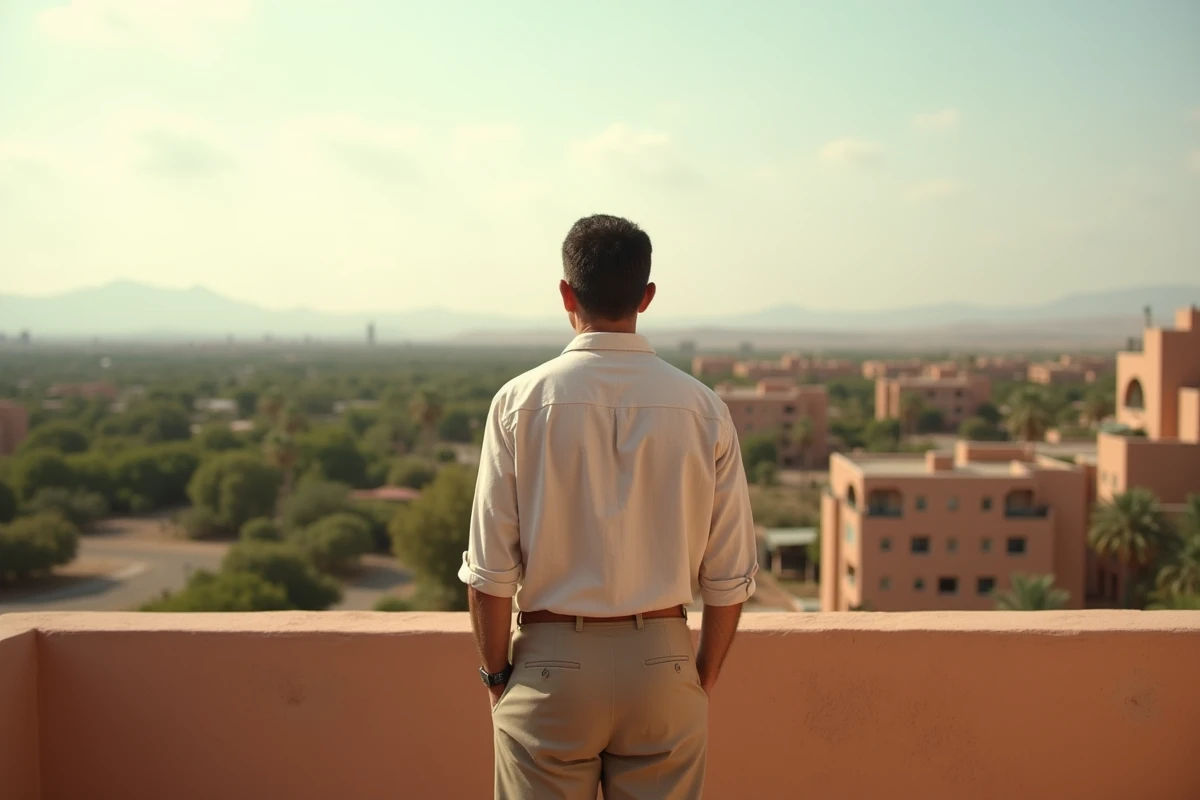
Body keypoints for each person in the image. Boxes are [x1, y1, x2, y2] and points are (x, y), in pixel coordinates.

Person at [459, 214, 758, 800]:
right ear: (646, 297)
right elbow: (729, 578)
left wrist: (497, 678)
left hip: (550, 671)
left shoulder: (519, 403)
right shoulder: (705, 409)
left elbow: (490, 574)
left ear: (566, 294)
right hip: (664, 668)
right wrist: (697, 679)